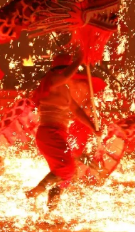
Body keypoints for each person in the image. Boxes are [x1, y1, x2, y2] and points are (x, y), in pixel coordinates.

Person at [26, 51, 99, 210]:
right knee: (67, 169)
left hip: (58, 134)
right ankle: (36, 191)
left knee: (63, 177)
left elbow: (77, 111)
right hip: (49, 134)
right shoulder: (51, 81)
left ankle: (50, 211)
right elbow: (65, 76)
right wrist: (79, 59)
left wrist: (93, 127)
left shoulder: (64, 89)